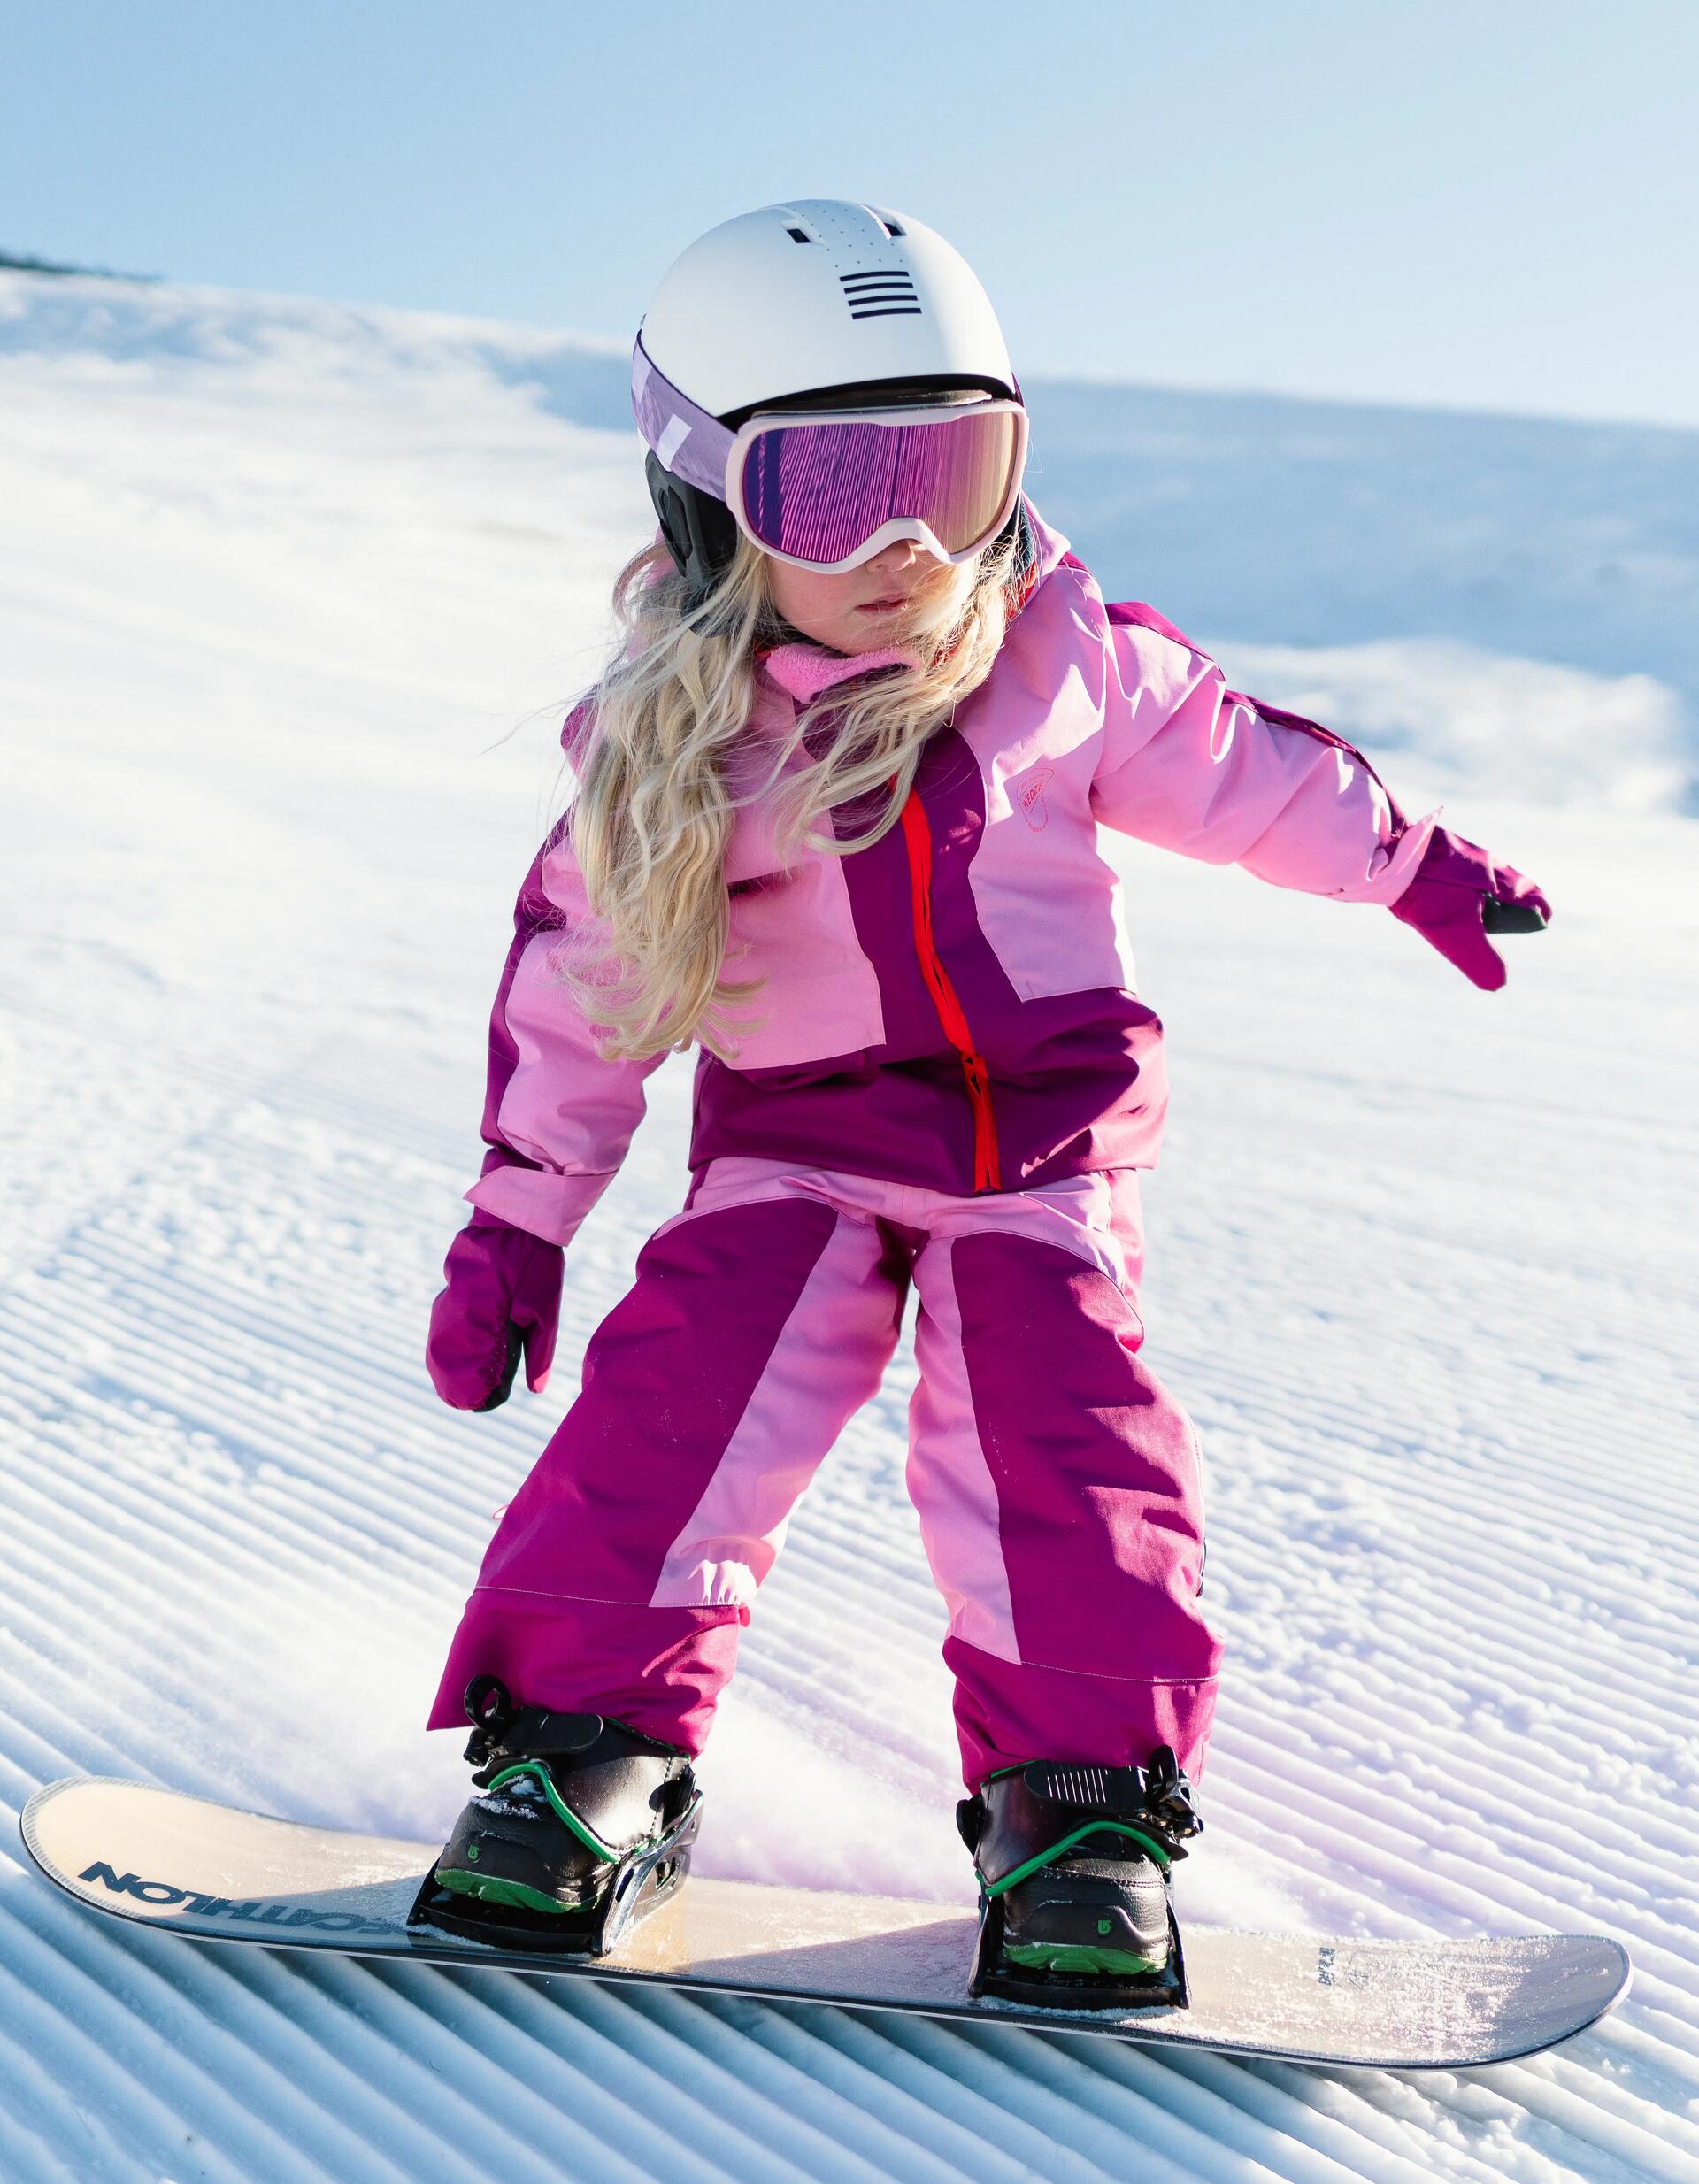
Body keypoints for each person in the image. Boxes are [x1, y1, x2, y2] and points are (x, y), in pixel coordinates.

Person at [414, 200, 1549, 2004]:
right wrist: (519, 1218)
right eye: (837, 484)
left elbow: (1248, 771)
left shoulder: (1060, 654)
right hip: (793, 1148)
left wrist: (1407, 863)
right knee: (676, 1418)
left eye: (956, 467)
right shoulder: (677, 750)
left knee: (1063, 1447)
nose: (909, 540)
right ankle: (584, 1757)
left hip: (1037, 1145)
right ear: (708, 503)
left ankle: (1081, 1808)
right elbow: (582, 987)